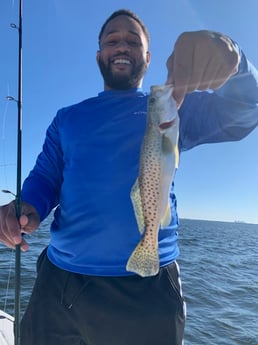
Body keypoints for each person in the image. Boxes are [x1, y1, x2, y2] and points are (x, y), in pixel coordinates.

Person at [0, 8, 258, 345]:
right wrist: (26, 205)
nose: (122, 46)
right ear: (98, 55)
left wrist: (236, 62)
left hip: (147, 291)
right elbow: (46, 177)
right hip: (59, 284)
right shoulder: (68, 118)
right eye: (112, 40)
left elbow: (245, 112)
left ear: (148, 57)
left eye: (133, 42)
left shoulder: (173, 107)